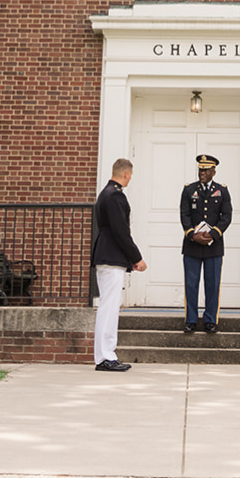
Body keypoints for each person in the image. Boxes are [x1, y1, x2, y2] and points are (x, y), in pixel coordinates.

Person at [92, 158, 146, 371]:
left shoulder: (107, 193)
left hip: (110, 255)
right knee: (109, 307)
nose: (130, 179)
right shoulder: (114, 196)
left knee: (109, 306)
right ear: (126, 175)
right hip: (110, 255)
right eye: (130, 176)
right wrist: (136, 257)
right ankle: (105, 356)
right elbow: (120, 231)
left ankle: (105, 355)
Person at [179, 153, 232, 334]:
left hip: (214, 246)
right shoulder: (189, 190)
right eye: (200, 169)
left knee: (212, 284)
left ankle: (210, 320)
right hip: (192, 245)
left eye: (206, 170)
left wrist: (213, 234)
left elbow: (227, 216)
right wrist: (192, 235)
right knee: (191, 284)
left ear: (213, 172)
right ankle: (191, 320)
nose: (202, 173)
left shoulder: (222, 190)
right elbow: (184, 214)